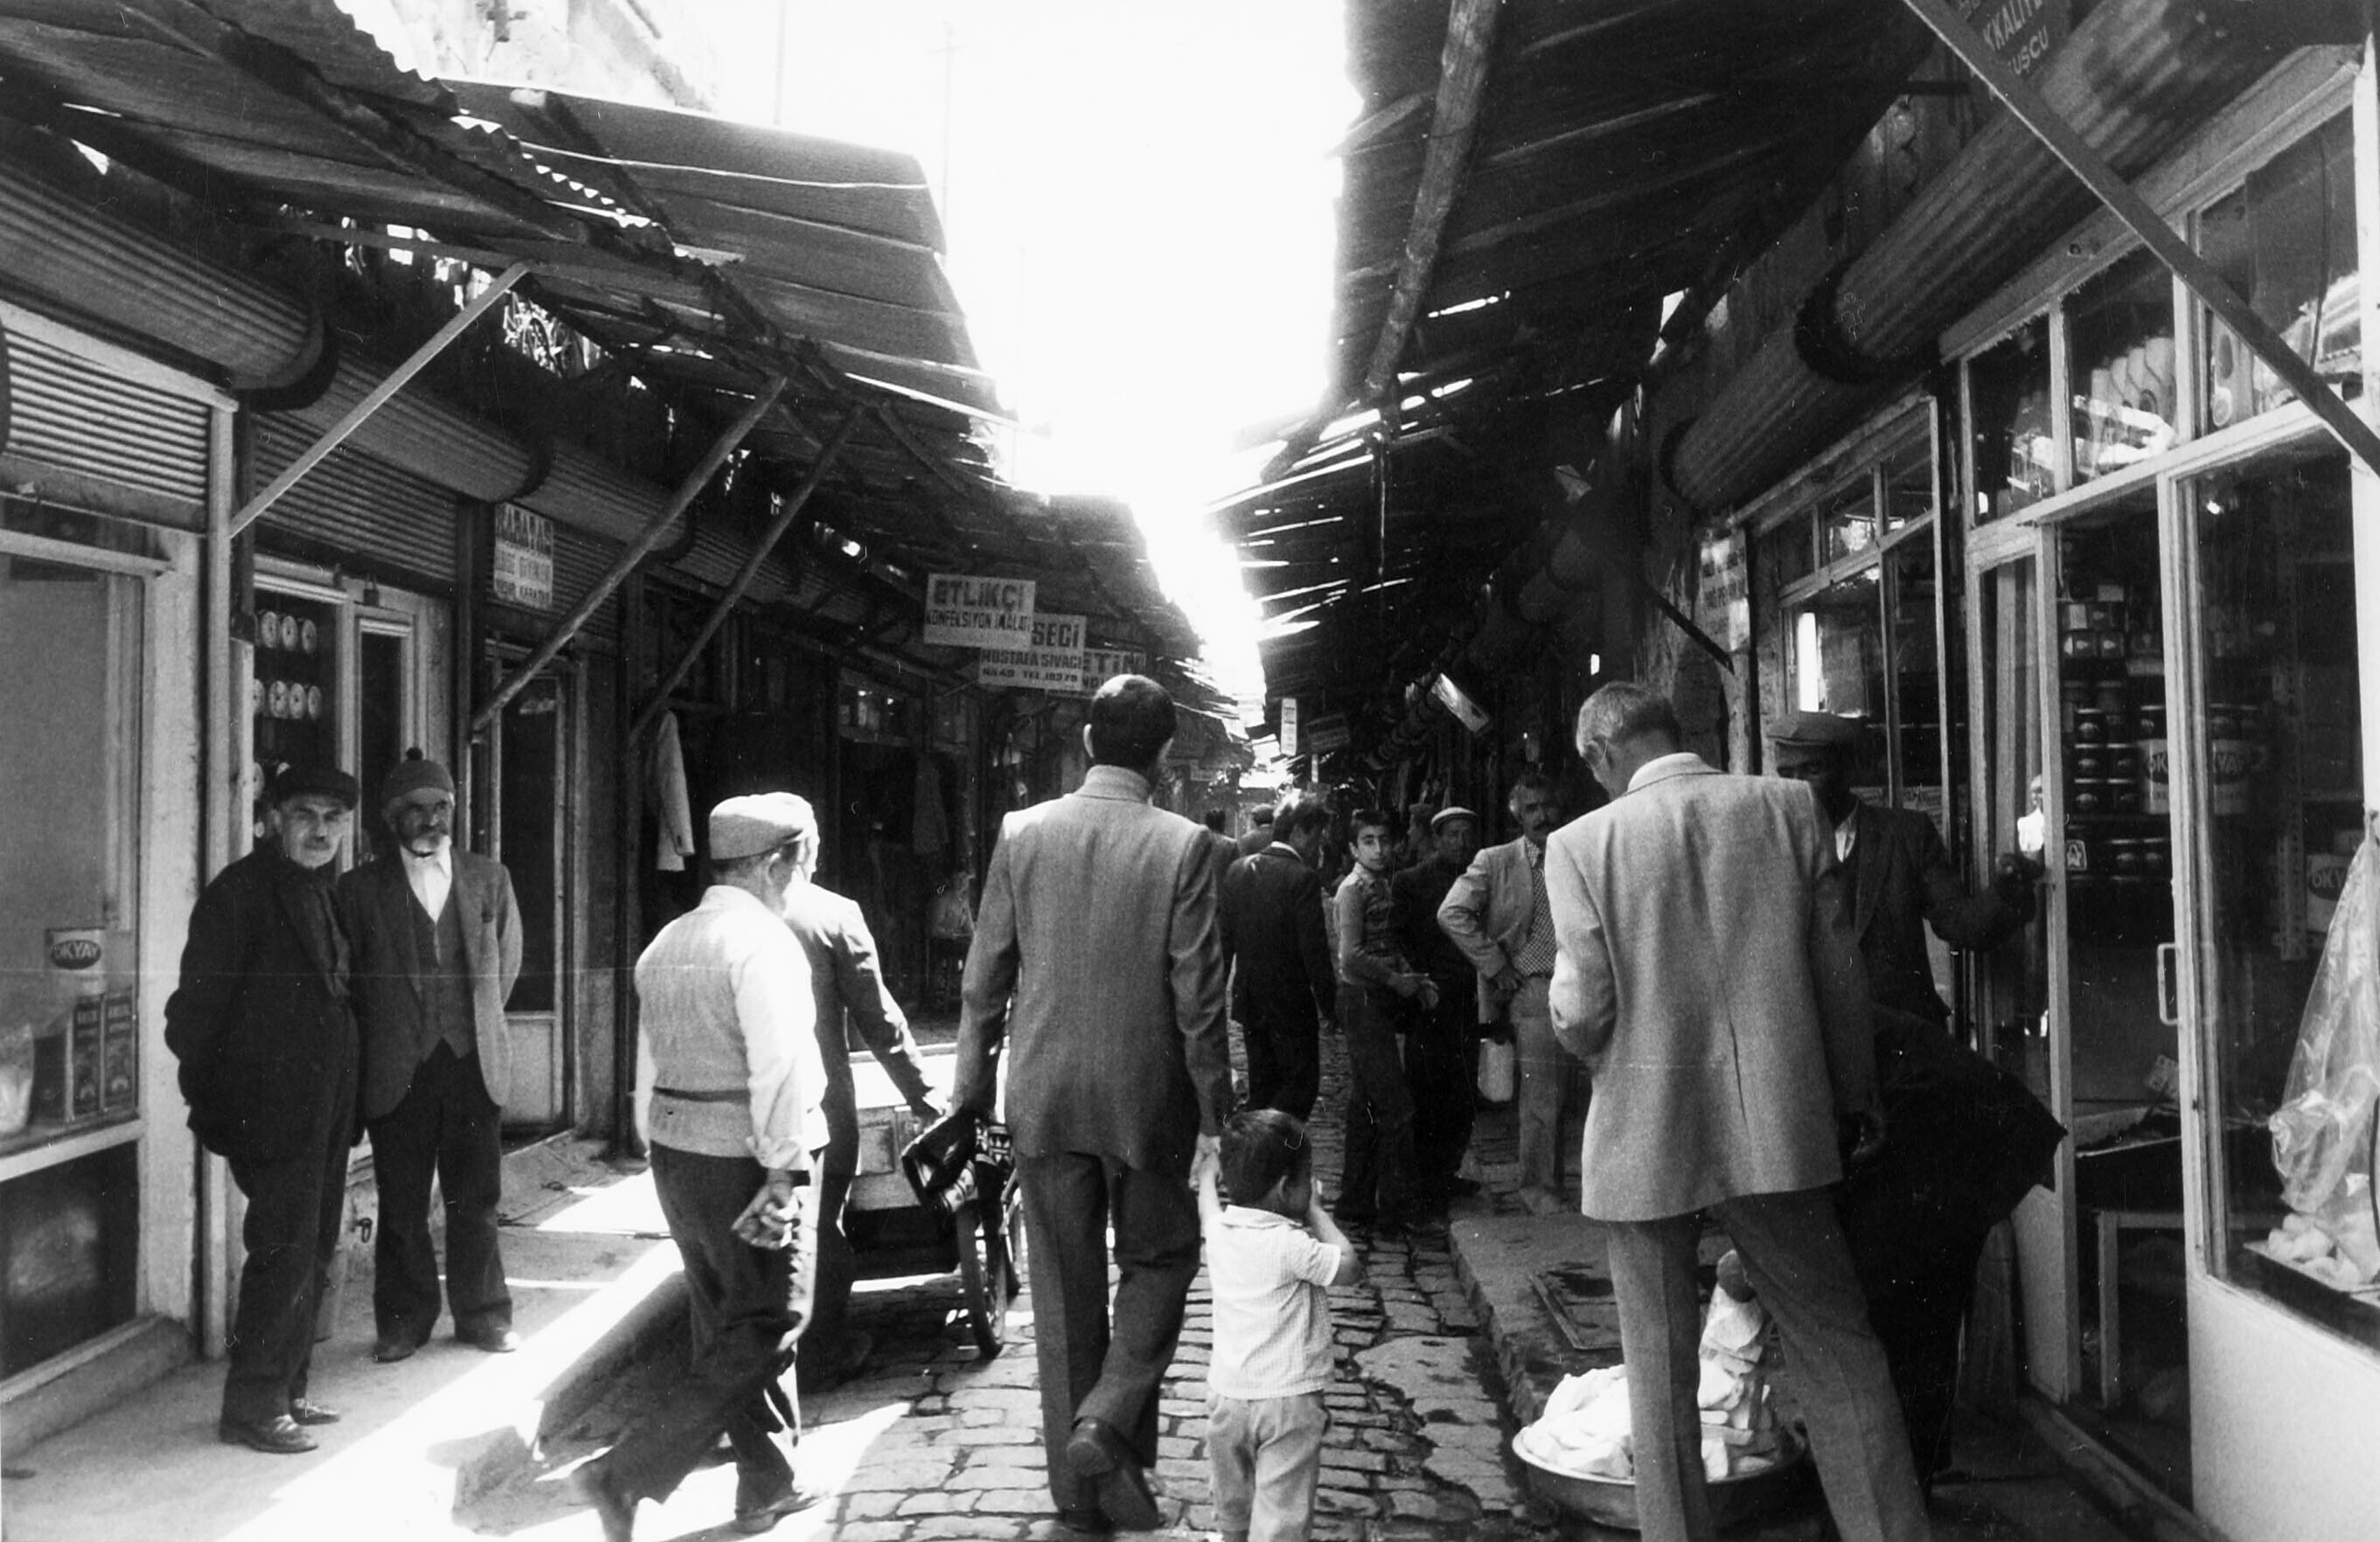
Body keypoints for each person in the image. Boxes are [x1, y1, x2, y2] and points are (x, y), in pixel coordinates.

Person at [1546, 682, 1928, 1542]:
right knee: (1837, 1346)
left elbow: (1585, 1011)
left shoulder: (1580, 845)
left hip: (1644, 1134)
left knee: (1658, 1367)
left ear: (1602, 755)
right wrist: (1854, 1093)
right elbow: (1840, 974)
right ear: (1674, 731)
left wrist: (1563, 1022)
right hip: (1778, 1126)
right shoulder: (1787, 808)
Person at [952, 674, 1234, 1537]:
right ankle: (1108, 1423)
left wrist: (969, 1096)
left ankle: (1084, 1497)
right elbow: (1200, 1001)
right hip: (1149, 1101)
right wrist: (1216, 1116)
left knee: (1066, 1292)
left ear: (1085, 743)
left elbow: (983, 981)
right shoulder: (1186, 845)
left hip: (1042, 1097)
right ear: (1163, 754)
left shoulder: (1022, 832)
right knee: (1162, 1260)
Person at [1769, 711, 2063, 1486]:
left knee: (1920, 1278)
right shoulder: (1769, 843)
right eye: (1787, 772)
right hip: (1822, 1085)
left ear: (1848, 771)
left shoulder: (1904, 836)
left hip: (1911, 1083)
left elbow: (1961, 923)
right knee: (1843, 1279)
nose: (1799, 787)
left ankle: (1918, 1463)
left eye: (1813, 771)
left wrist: (2012, 891)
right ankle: (1851, 1455)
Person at [572, 794, 832, 1541]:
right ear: (777, 864)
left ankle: (768, 1483)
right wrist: (783, 1169)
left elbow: (648, 1063)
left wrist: (657, 1143)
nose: (806, 879)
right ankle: (626, 1473)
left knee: (729, 1320)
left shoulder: (668, 942)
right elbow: (779, 1066)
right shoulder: (763, 945)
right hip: (750, 1157)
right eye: (805, 864)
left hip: (679, 1155)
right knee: (772, 1317)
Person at [164, 764, 362, 1455]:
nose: (321, 831)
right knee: (281, 1249)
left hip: (327, 1100)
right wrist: (223, 1102)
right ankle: (252, 1407)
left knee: (313, 1244)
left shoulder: (324, 889)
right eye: (306, 814)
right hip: (272, 1108)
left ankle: (289, 1389)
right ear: (274, 817)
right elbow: (193, 1017)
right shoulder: (239, 893)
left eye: (334, 819)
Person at [338, 750, 525, 1362]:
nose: (430, 819)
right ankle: (403, 1322)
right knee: (402, 1204)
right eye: (416, 809)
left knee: (478, 1201)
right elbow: (351, 981)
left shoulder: (489, 878)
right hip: (399, 1069)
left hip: (472, 1065)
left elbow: (507, 963)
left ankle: (484, 1316)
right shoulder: (359, 890)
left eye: (441, 806)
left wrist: (475, 1026)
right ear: (392, 817)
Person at [780, 830, 940, 1393]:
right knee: (818, 1232)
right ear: (807, 853)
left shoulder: (711, 922)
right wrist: (923, 1095)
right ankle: (819, 1353)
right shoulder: (831, 915)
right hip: (814, 1109)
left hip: (722, 1118)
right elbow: (879, 1019)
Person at [1194, 1109, 1361, 1542]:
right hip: (1288, 1401)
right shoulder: (1291, 1245)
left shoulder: (1220, 1233)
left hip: (1227, 1398)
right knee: (1282, 1513)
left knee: (1233, 1502)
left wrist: (1209, 1176)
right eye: (1308, 1179)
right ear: (1288, 1188)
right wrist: (1317, 1212)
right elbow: (1348, 1265)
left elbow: (1207, 1207)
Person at [1437, 772, 1584, 1215]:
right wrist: (1495, 965)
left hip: (1586, 982)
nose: (1542, 816)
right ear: (1517, 813)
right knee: (1543, 1097)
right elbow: (1452, 912)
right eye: (1532, 808)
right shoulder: (1496, 861)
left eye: (1549, 806)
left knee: (1584, 1090)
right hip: (1534, 987)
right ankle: (1541, 1193)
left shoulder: (1579, 851)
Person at [1331, 808, 1432, 1229]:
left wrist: (1411, 978)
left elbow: (1387, 943)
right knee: (1396, 1107)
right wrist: (1395, 980)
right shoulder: (1351, 890)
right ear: (1354, 848)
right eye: (1368, 841)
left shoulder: (1382, 885)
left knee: (1367, 1104)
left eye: (1384, 840)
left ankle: (1355, 1201)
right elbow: (1351, 955)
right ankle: (1398, 1208)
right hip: (1362, 1001)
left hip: (1378, 1000)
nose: (1378, 849)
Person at [1219, 795, 1336, 1120]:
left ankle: (1258, 1147)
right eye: (1316, 837)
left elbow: (1224, 943)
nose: (1317, 848)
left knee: (1262, 1087)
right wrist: (1329, 1006)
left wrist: (1216, 996)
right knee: (1298, 1088)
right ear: (1298, 832)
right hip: (1291, 1005)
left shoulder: (1237, 870)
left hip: (1250, 1002)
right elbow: (1314, 952)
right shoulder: (1302, 878)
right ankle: (1279, 1148)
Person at [1394, 805, 1483, 1201]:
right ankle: (1423, 1177)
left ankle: (1448, 1171)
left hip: (1468, 997)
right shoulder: (1411, 881)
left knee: (1463, 1091)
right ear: (1436, 839)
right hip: (1429, 999)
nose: (1461, 842)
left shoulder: (1480, 878)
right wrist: (1416, 981)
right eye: (1452, 835)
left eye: (1467, 834)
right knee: (1426, 1088)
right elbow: (1398, 938)